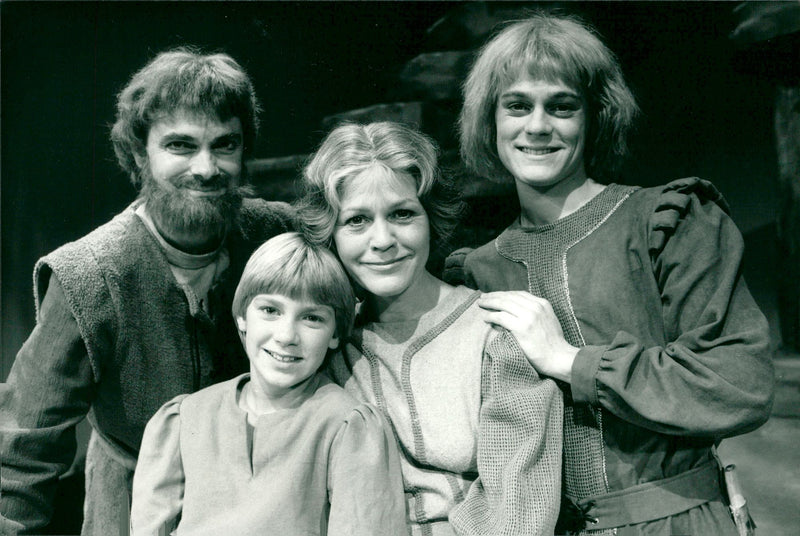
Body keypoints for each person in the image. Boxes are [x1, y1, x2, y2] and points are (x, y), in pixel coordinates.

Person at [444, 12, 775, 535]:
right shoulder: (478, 271)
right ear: (490, 121)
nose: (537, 125)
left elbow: (738, 385)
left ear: (594, 117)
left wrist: (571, 361)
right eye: (517, 106)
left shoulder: (667, 222)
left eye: (561, 106)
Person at [0, 47, 294, 535]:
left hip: (264, 498)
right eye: (180, 146)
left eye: (225, 145)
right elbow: (24, 446)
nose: (206, 167)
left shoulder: (274, 234)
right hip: (133, 504)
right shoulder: (88, 275)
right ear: (140, 154)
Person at [297, 121, 563, 536]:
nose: (382, 240)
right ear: (330, 233)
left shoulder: (494, 335)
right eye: (357, 221)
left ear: (431, 219)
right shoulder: (326, 348)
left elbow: (520, 511)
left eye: (402, 214)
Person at [130, 232, 405, 536]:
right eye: (270, 310)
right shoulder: (184, 419)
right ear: (242, 317)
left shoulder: (348, 427)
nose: (287, 335)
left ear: (336, 334)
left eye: (312, 318)